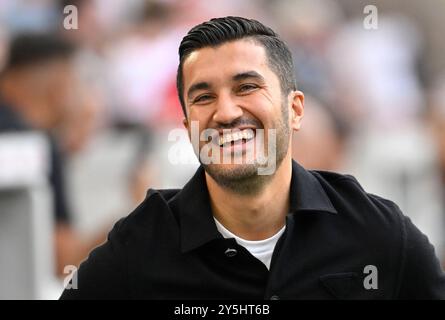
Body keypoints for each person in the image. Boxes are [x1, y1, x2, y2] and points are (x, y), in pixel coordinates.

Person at [60, 16, 445, 299]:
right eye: (203, 96)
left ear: (294, 110)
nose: (226, 113)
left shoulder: (380, 234)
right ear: (186, 123)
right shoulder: (141, 245)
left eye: (246, 87)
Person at [0, 33, 106, 276]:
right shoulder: (38, 147)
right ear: (60, 86)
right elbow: (62, 262)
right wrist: (136, 213)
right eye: (79, 82)